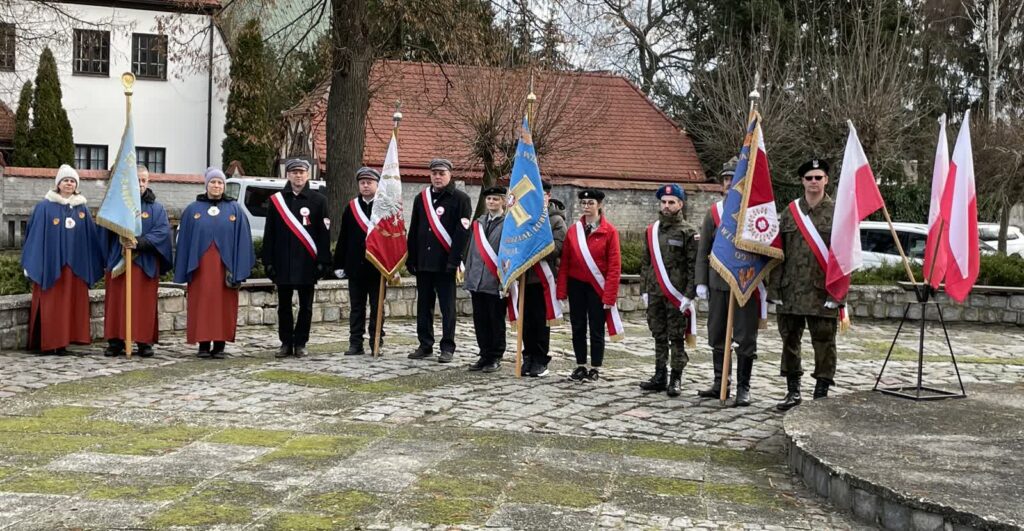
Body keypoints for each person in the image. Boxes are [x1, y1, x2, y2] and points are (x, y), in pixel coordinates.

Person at [769, 158, 844, 411]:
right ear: (802, 181)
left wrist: (839, 292)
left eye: (818, 177)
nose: (814, 182)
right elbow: (779, 252)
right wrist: (775, 289)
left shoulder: (838, 212)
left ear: (826, 180)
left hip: (822, 290)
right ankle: (793, 391)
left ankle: (821, 393)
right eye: (809, 178)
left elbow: (845, 256)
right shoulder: (790, 211)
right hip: (790, 290)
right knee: (790, 341)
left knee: (824, 343)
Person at [695, 157, 765, 406]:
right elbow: (703, 249)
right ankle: (720, 382)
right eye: (725, 179)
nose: (728, 183)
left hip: (744, 285)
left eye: (733, 178)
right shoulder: (714, 213)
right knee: (717, 334)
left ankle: (744, 388)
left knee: (745, 337)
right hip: (718, 283)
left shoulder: (755, 214)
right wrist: (701, 282)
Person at [21, 164, 104, 355]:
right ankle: (50, 343)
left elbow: (91, 238)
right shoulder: (44, 207)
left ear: (77, 185)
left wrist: (94, 262)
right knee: (53, 304)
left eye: (72, 181)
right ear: (58, 183)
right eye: (66, 180)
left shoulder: (81, 209)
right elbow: (34, 235)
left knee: (70, 305)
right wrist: (32, 262)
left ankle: (64, 342)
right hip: (50, 267)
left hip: (75, 269)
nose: (69, 183)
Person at [174, 167, 255, 359]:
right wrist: (183, 269)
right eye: (213, 182)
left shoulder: (235, 209)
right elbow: (183, 241)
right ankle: (202, 344)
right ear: (206, 184)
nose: (216, 186)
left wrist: (239, 270)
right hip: (200, 269)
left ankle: (219, 345)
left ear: (224, 185)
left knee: (223, 306)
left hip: (224, 269)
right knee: (201, 304)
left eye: (220, 182)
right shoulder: (193, 210)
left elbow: (244, 240)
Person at [262, 159, 331, 358]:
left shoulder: (319, 201)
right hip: (283, 263)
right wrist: (268, 262)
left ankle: (301, 343)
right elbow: (270, 233)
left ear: (308, 175)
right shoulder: (277, 201)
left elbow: (324, 234)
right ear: (288, 175)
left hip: (307, 263)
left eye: (301, 172)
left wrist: (323, 261)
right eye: (294, 172)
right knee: (283, 306)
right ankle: (285, 343)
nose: (298, 176)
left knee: (306, 307)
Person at [102, 165, 173, 358]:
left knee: (143, 305)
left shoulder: (156, 209)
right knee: (117, 303)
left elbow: (162, 233)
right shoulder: (117, 206)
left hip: (145, 265)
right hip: (119, 263)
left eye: (144, 180)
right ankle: (116, 341)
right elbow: (105, 232)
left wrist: (139, 243)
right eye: (137, 180)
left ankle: (144, 342)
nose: (140, 184)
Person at [406, 158, 472, 363]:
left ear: (449, 175)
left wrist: (455, 260)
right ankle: (425, 345)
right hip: (424, 262)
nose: (437, 176)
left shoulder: (460, 199)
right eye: (434, 173)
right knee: (424, 305)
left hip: (445, 263)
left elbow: (462, 233)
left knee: (447, 308)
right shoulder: (421, 198)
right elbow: (415, 229)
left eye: (441, 173)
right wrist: (412, 257)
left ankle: (447, 347)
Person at [556, 189, 622, 382]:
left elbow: (614, 266)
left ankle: (595, 366)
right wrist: (562, 289)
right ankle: (580, 364)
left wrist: (609, 295)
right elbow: (565, 262)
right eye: (583, 204)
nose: (586, 207)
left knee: (596, 327)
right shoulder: (574, 230)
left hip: (597, 286)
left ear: (599, 205)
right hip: (577, 285)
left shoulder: (609, 231)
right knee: (577, 325)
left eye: (590, 203)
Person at [638, 184, 698, 397]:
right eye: (663, 202)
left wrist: (690, 295)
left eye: (671, 202)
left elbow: (693, 266)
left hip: (677, 295)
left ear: (680, 204)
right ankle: (659, 375)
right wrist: (644, 289)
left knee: (676, 337)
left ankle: (676, 378)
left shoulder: (688, 232)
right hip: (655, 292)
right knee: (658, 335)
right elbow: (645, 263)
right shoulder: (651, 231)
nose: (666, 206)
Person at [333, 167, 384, 356]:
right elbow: (343, 237)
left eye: (369, 182)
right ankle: (355, 343)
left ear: (377, 185)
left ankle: (376, 341)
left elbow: (393, 238)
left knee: (377, 308)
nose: (365, 185)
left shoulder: (385, 207)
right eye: (362, 182)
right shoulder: (351, 207)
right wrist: (338, 264)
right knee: (356, 308)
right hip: (355, 267)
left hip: (378, 267)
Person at [520, 182, 567, 377]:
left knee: (540, 322)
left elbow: (557, 247)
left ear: (547, 196)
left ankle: (540, 359)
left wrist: (533, 248)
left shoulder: (556, 220)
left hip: (542, 279)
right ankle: (527, 356)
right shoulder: (524, 219)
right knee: (526, 322)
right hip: (524, 278)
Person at [463, 186, 508, 373]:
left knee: (495, 320)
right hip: (477, 280)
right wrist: (468, 275)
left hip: (495, 280)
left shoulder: (508, 224)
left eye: (496, 199)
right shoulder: (479, 223)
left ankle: (495, 356)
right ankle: (484, 354)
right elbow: (472, 251)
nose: (491, 202)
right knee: (480, 320)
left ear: (503, 201)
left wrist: (504, 280)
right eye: (489, 199)